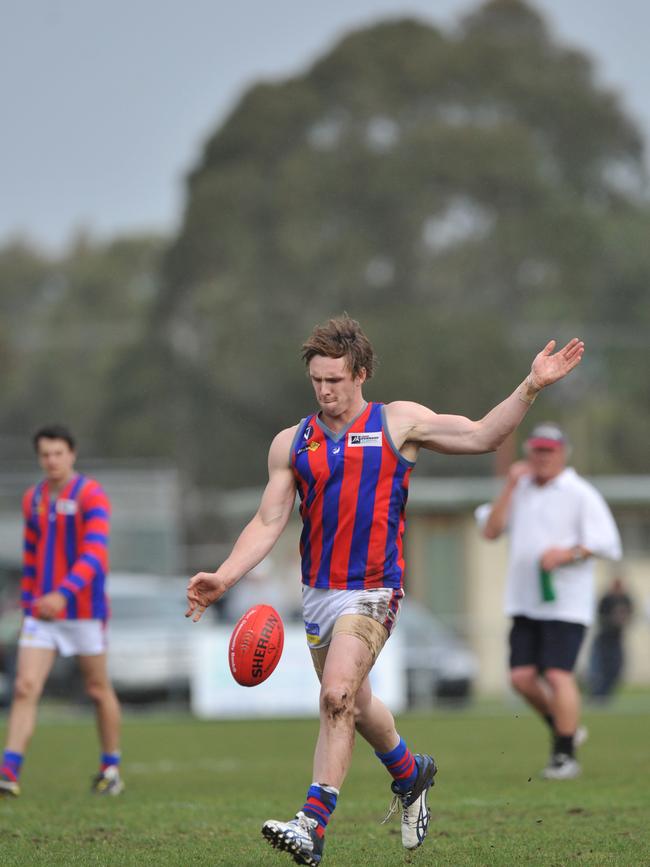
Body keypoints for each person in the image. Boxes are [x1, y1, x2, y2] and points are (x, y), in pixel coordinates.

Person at [186, 316, 584, 865]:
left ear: (362, 374)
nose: (326, 391)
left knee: (335, 695)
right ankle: (410, 772)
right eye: (317, 381)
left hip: (375, 590)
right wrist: (224, 575)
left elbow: (481, 435)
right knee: (359, 703)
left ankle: (312, 824)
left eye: (336, 380)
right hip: (319, 594)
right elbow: (267, 520)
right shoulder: (291, 442)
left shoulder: (399, 423)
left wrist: (531, 385)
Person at [476, 422, 622, 781]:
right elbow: (491, 530)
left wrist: (568, 553)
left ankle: (564, 756)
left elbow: (607, 543)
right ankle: (566, 727)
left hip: (566, 604)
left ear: (562, 453)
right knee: (522, 678)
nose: (542, 457)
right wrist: (510, 485)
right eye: (536, 450)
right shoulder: (520, 489)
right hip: (525, 602)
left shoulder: (579, 493)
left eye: (549, 450)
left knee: (558, 674)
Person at [0, 425, 124, 798]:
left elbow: (94, 555)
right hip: (43, 613)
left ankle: (110, 767)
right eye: (45, 455)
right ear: (39, 458)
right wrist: (29, 603)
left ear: (71, 454)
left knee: (98, 690)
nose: (52, 460)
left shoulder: (91, 495)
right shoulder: (33, 498)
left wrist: (64, 594)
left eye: (58, 453)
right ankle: (9, 773)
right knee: (24, 687)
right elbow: (32, 557)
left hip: (84, 611)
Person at [588, 577, 634, 701]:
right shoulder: (606, 599)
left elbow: (631, 615)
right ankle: (597, 693)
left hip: (617, 639)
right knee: (599, 667)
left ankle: (606, 693)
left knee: (616, 667)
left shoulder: (626, 599)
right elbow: (600, 615)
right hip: (604, 638)